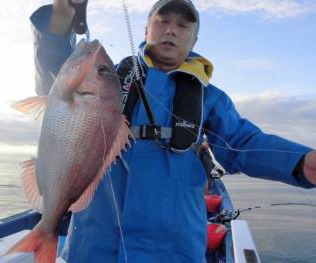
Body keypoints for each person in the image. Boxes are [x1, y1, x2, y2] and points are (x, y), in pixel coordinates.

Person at [30, 0, 316, 262]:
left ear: (194, 39)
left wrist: (300, 162)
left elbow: (244, 143)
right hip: (95, 248)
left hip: (173, 251)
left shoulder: (210, 97)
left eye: (183, 25)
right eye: (163, 21)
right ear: (146, 28)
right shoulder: (109, 79)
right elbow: (57, 78)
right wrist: (60, 20)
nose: (171, 30)